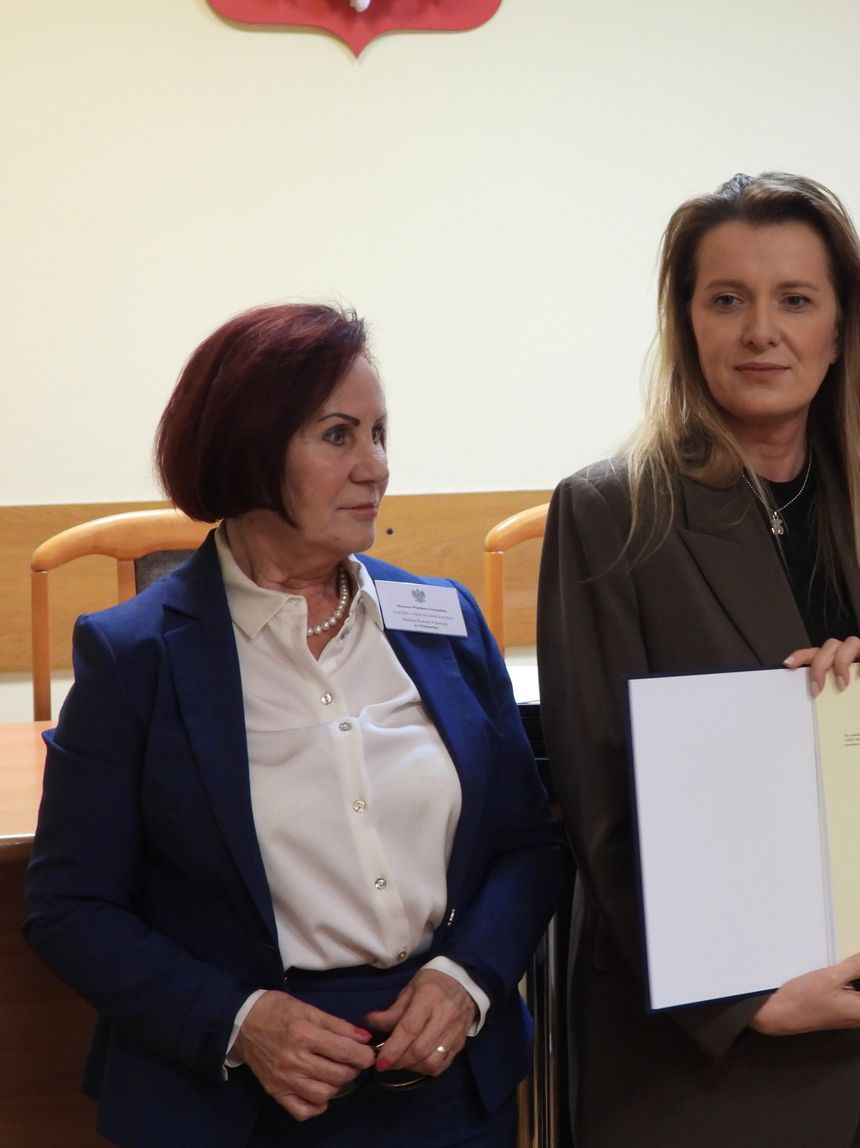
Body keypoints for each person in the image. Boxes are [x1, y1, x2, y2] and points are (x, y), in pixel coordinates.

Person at [24, 303, 571, 1147]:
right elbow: (71, 905)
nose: (375, 467)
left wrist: (468, 977)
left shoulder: (445, 621)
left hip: (444, 1077)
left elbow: (528, 843)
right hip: (237, 1101)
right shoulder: (134, 657)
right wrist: (240, 1020)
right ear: (248, 447)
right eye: (338, 436)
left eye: (380, 435)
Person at [537, 172, 860, 1148]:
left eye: (796, 300)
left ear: (842, 326)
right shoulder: (611, 511)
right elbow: (601, 803)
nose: (761, 332)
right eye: (727, 299)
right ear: (685, 322)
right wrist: (738, 1001)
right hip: (714, 1069)